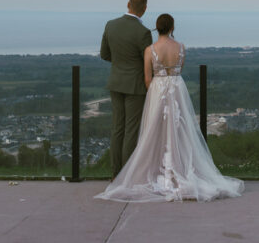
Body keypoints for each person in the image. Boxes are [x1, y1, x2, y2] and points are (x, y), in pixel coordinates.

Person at [97, 13, 244, 202]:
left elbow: (147, 78)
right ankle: (179, 169)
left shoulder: (150, 50)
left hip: (158, 90)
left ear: (157, 28)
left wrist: (157, 94)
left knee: (153, 131)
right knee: (180, 129)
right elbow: (178, 70)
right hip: (176, 90)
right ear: (172, 27)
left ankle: (150, 171)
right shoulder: (181, 48)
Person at [100, 0, 153, 178]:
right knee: (132, 130)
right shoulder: (143, 32)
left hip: (115, 83)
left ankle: (116, 174)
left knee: (117, 129)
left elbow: (105, 54)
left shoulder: (111, 25)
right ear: (144, 9)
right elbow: (148, 62)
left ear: (128, 4)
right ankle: (128, 176)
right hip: (135, 86)